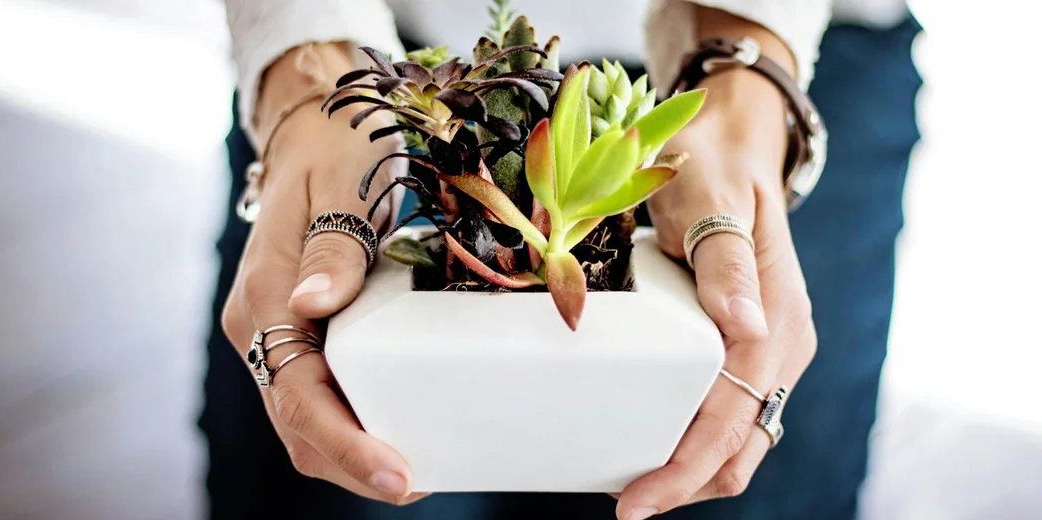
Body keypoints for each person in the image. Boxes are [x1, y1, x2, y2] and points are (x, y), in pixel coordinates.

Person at [201, 1, 922, 518]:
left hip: (786, 59)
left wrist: (747, 55)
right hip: (390, 91)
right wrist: (303, 61)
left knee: (740, 470)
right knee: (347, 475)